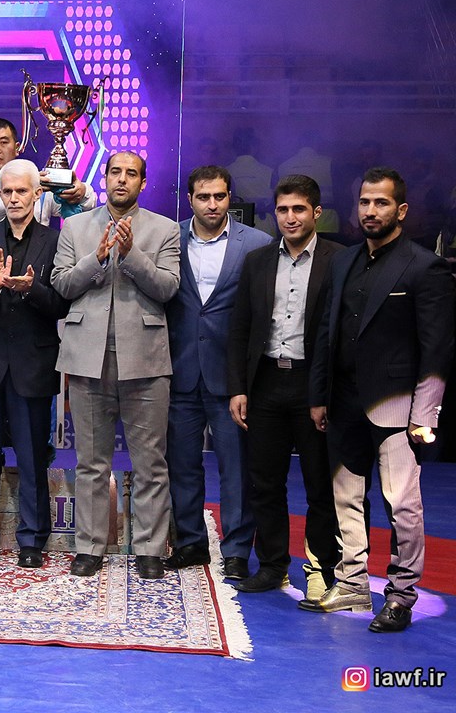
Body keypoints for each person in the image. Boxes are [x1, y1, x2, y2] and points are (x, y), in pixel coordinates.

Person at [305, 168, 455, 632]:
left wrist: (424, 413)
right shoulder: (344, 261)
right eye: (365, 202)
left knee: (401, 505)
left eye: (381, 203)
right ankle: (352, 583)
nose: (370, 211)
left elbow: (437, 349)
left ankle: (401, 595)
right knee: (346, 498)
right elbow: (327, 333)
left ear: (401, 210)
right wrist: (319, 396)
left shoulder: (424, 266)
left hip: (397, 406)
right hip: (343, 401)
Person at [50, 151, 179, 580]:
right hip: (87, 357)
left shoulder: (164, 229)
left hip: (145, 359)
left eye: (131, 174)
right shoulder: (74, 227)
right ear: (104, 178)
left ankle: (149, 549)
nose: (122, 180)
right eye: (115, 172)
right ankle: (89, 547)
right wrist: (98, 258)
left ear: (143, 182)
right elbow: (62, 284)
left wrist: (131, 254)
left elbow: (167, 288)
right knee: (91, 461)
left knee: (150, 463)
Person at [227, 175, 342, 601]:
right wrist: (238, 387)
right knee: (265, 482)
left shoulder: (339, 260)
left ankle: (322, 569)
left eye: (298, 209)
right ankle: (273, 566)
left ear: (316, 212)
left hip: (314, 383)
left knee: (319, 484)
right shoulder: (257, 261)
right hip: (265, 382)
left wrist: (325, 393)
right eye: (282, 210)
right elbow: (239, 328)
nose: (290, 218)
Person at [0, 159, 69, 568]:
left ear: (37, 194)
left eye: (22, 191)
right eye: (8, 192)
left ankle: (32, 540)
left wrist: (32, 288)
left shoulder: (55, 241)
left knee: (33, 456)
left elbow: (61, 304)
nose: (15, 198)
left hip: (33, 363)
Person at [164, 166, 272, 580]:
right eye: (204, 197)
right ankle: (191, 542)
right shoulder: (168, 238)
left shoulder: (257, 243)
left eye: (220, 197)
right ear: (190, 199)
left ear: (230, 198)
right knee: (182, 464)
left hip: (232, 378)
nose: (212, 205)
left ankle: (237, 550)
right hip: (180, 369)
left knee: (236, 468)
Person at [0, 118, 93, 232]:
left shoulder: (39, 184)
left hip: (37, 257)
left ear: (17, 148)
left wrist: (81, 192)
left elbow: (87, 208)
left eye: (4, 142)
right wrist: (24, 189)